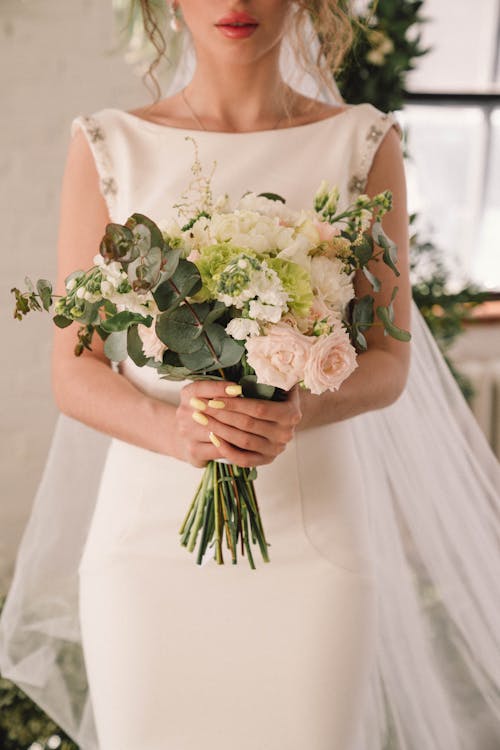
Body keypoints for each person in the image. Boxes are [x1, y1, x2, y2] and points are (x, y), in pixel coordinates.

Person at [1, 2, 499, 750]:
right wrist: (175, 431)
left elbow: (389, 363)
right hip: (145, 551)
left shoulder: (362, 143)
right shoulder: (108, 144)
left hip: (315, 546)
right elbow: (76, 371)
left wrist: (294, 406)